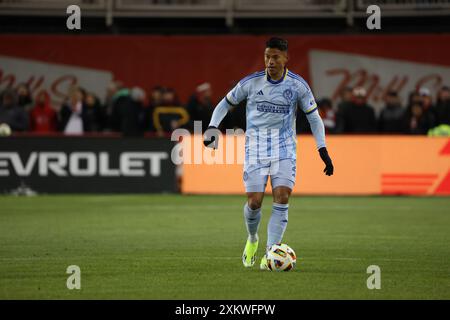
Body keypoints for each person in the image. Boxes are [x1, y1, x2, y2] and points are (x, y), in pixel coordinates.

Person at [203, 37, 334, 270]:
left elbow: (314, 117)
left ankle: (270, 253)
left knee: (282, 196)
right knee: (254, 202)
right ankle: (252, 239)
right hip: (255, 150)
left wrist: (322, 149)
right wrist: (213, 127)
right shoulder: (252, 83)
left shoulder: (297, 86)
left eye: (275, 57)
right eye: (267, 56)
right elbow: (224, 103)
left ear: (286, 58)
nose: (270, 61)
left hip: (284, 149)